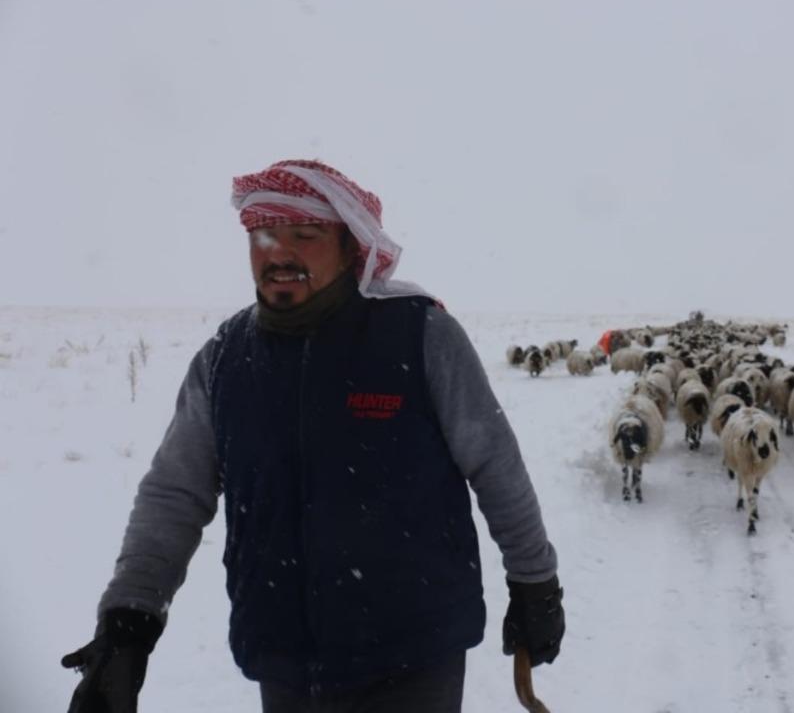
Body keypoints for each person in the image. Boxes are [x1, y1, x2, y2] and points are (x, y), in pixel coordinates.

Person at [61, 159, 564, 712]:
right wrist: (130, 620)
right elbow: (175, 493)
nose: (278, 252)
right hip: (283, 659)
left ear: (351, 247)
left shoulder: (420, 337)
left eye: (304, 234)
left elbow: (495, 466)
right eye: (263, 236)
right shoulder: (226, 358)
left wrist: (534, 582)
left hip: (414, 654)